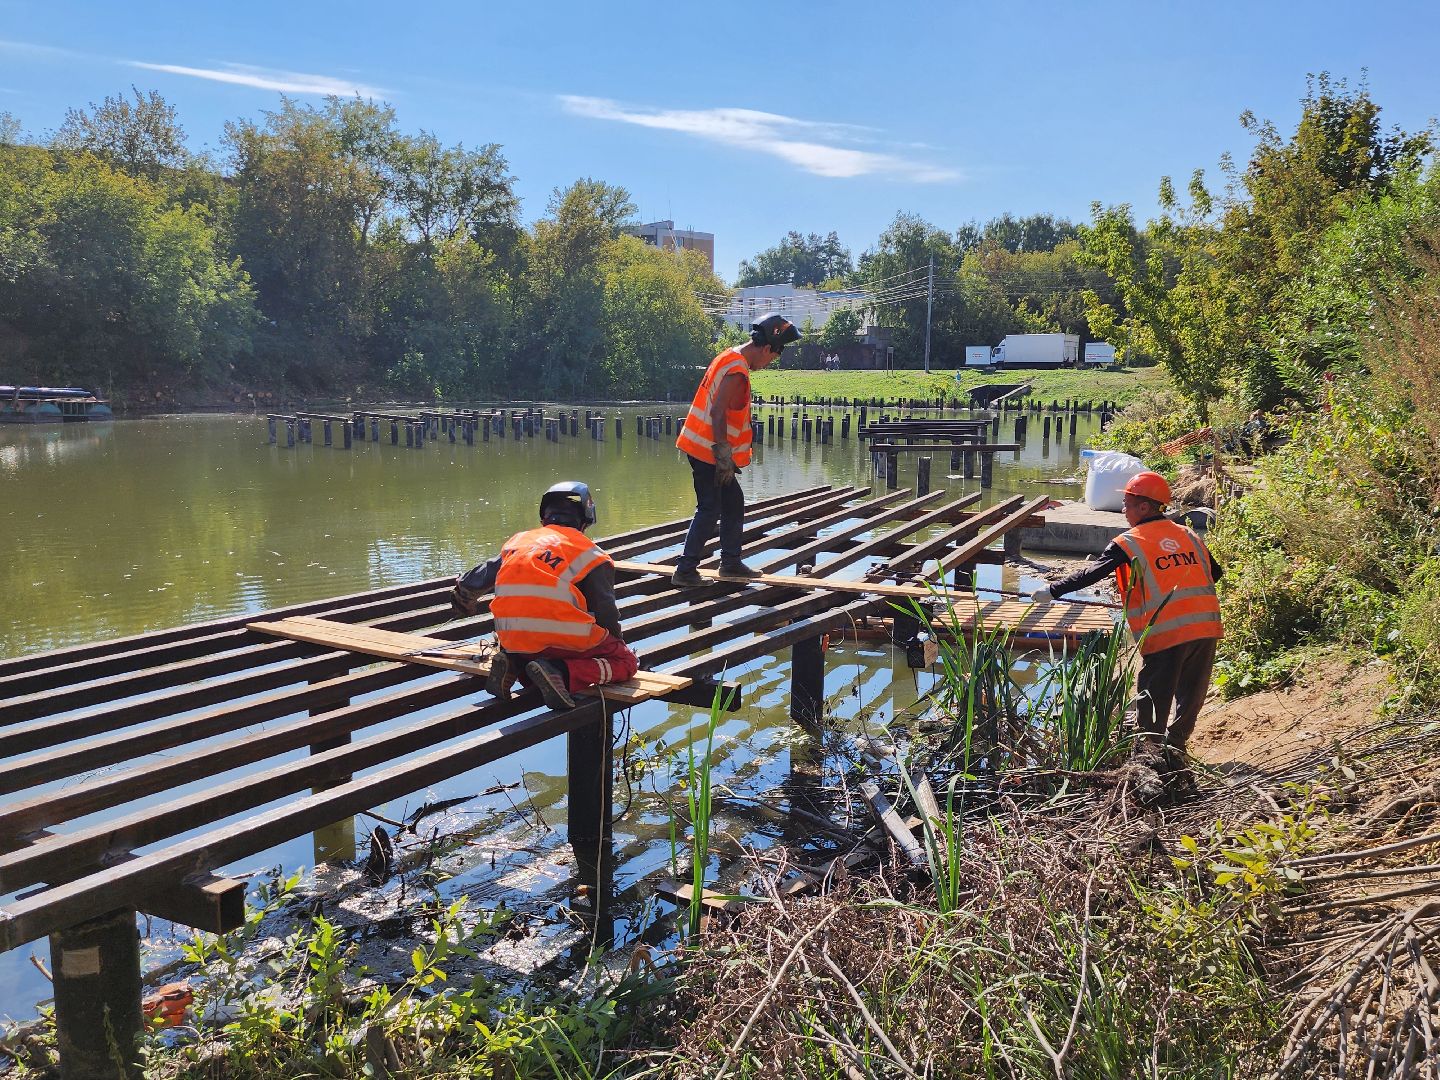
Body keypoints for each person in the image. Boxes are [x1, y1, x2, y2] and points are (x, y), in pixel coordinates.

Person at [1031, 471, 1223, 770]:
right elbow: (1216, 574)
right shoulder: (1188, 534)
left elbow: (1092, 572)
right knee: (1191, 693)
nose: (1123, 509)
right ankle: (1176, 750)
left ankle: (1147, 758)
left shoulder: (1130, 541)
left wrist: (1053, 590)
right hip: (1206, 627)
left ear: (1145, 507)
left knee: (1152, 695)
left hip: (1168, 630)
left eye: (1127, 503)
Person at [449, 482, 637, 711]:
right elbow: (605, 611)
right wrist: (616, 645)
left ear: (543, 518)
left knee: (534, 655)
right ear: (585, 522)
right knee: (625, 662)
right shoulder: (594, 556)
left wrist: (463, 598)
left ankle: (513, 663)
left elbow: (474, 580)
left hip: (512, 638)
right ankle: (561, 672)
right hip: (561, 640)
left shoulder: (519, 542)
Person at [671, 314, 801, 588]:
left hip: (703, 447)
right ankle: (685, 569)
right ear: (767, 349)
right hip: (709, 451)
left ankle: (730, 563)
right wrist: (723, 457)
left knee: (733, 502)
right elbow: (717, 414)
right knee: (709, 507)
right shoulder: (738, 371)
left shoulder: (728, 356)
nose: (767, 365)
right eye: (772, 359)